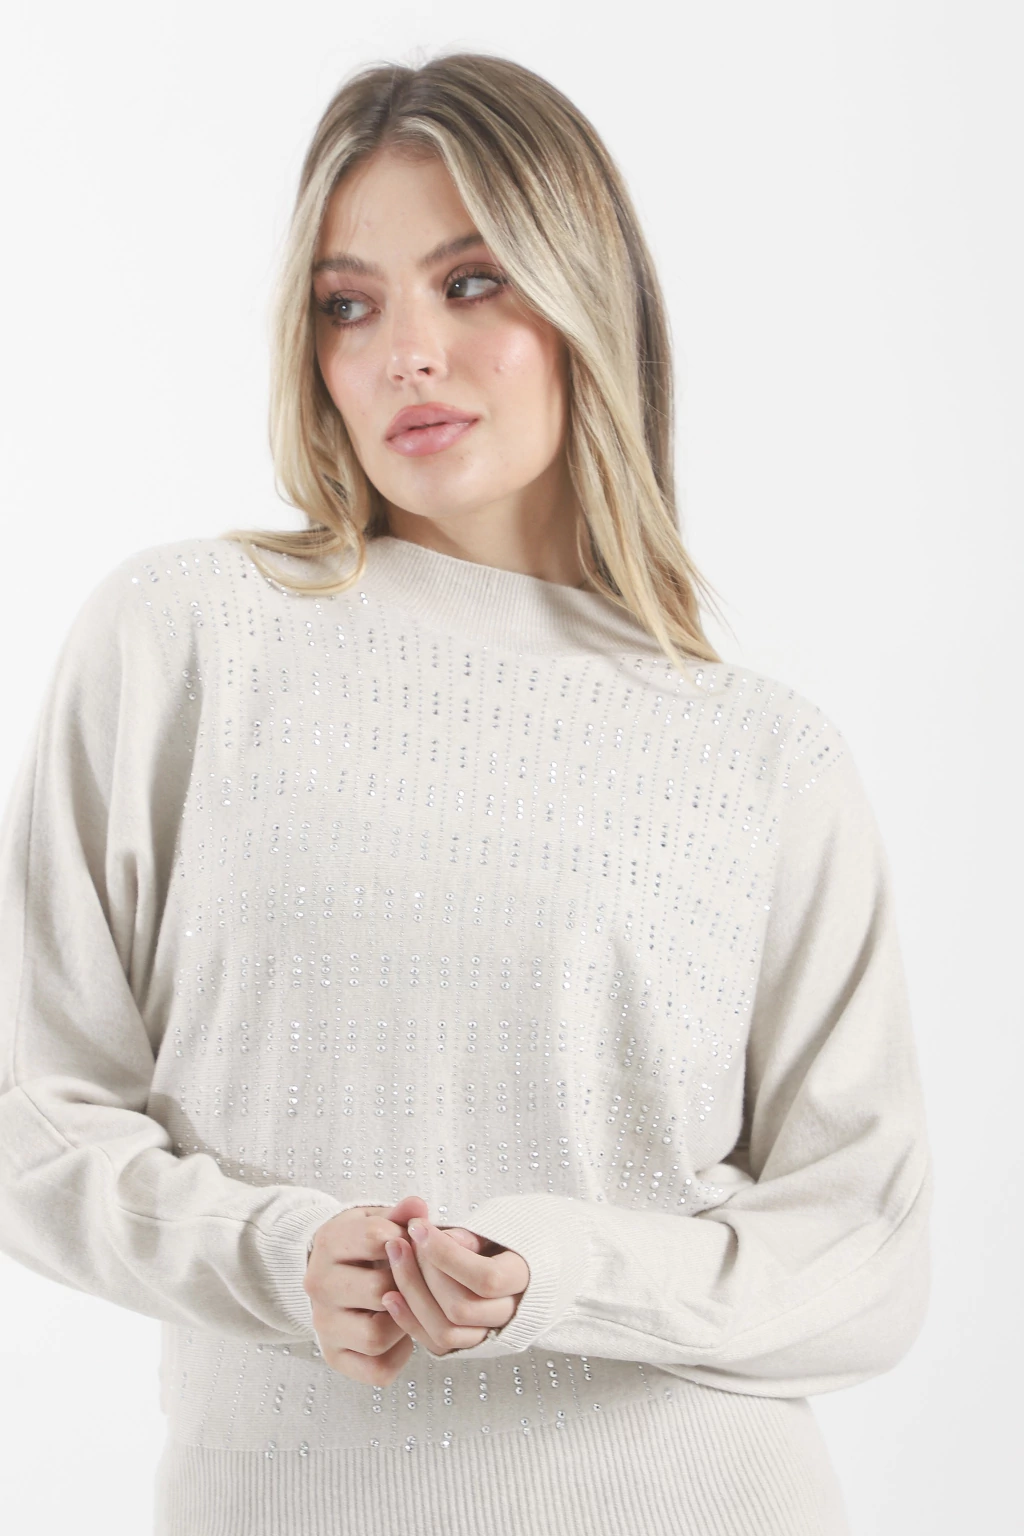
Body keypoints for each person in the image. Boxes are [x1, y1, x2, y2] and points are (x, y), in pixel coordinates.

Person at [0, 49, 932, 1536]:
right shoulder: (184, 640)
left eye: (472, 282)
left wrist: (556, 1274)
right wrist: (278, 1252)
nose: (406, 355)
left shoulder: (765, 756)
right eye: (348, 305)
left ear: (586, 300)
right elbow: (36, 1115)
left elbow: (862, 1252)